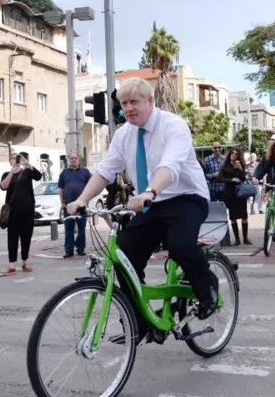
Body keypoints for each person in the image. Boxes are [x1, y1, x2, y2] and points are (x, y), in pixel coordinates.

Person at [66, 77, 218, 323]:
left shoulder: (173, 126)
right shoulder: (124, 134)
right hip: (150, 204)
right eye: (124, 103)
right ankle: (139, 320)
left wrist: (149, 191)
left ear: (150, 101)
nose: (128, 108)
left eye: (133, 102)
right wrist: (82, 200)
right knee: (124, 258)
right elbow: (105, 171)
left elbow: (170, 165)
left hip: (186, 197)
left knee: (180, 245)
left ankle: (208, 288)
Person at [0, 152, 42, 274]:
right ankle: (12, 265)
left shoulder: (27, 172)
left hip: (27, 211)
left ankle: (24, 262)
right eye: (13, 158)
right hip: (13, 212)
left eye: (17, 158)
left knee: (26, 237)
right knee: (12, 238)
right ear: (9, 161)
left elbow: (38, 176)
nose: (15, 160)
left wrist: (27, 162)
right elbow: (3, 186)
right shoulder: (6, 174)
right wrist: (12, 171)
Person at [58, 152, 92, 258]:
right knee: (69, 229)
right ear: (69, 160)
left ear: (78, 159)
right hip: (68, 205)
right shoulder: (64, 173)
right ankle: (69, 250)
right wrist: (62, 201)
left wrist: (87, 201)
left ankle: (80, 248)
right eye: (71, 158)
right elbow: (61, 188)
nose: (73, 160)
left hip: (81, 205)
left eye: (75, 158)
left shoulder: (85, 172)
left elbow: (90, 187)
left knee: (82, 228)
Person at [218, 148, 252, 245]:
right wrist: (231, 180)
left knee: (244, 216)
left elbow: (244, 178)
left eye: (236, 154)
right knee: (233, 217)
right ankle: (237, 239)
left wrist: (241, 170)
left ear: (238, 156)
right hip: (230, 193)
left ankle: (245, 238)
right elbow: (220, 178)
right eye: (232, 153)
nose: (234, 155)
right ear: (229, 154)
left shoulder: (240, 165)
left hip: (240, 193)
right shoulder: (225, 165)